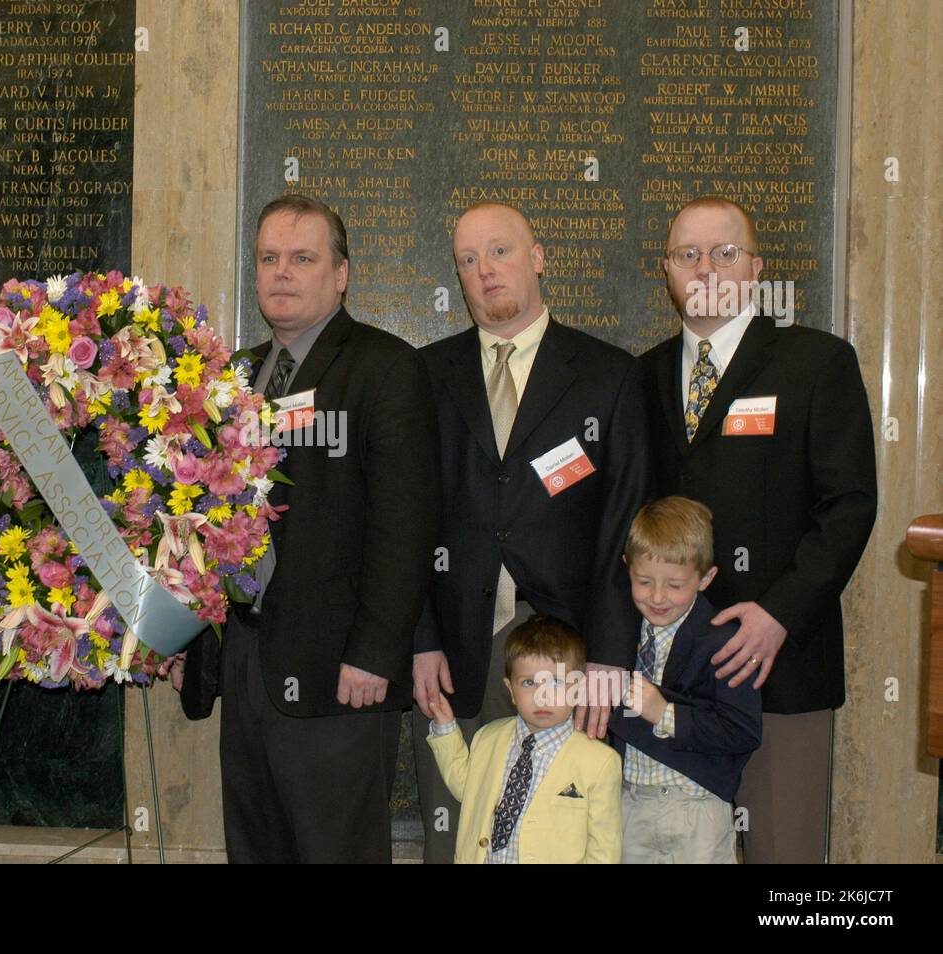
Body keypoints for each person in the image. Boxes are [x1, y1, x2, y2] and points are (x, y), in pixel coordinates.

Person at [178, 193, 441, 862]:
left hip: (339, 671)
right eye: (269, 258)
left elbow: (403, 527)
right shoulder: (235, 375)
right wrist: (191, 637)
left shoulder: (385, 368)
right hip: (247, 665)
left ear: (342, 273)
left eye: (302, 258)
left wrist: (376, 652)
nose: (282, 273)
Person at [639, 195, 876, 863]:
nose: (705, 267)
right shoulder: (645, 375)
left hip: (779, 665)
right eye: (688, 255)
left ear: (756, 268)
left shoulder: (816, 363)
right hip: (674, 680)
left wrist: (778, 615)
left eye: (725, 252)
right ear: (667, 270)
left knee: (784, 862)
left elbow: (850, 506)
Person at [412, 201, 652, 862]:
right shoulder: (427, 377)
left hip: (568, 656)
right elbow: (406, 523)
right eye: (467, 260)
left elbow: (622, 531)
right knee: (455, 836)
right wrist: (420, 638)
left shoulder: (609, 376)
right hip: (453, 652)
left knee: (558, 842)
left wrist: (607, 659)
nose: (485, 271)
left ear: (539, 257)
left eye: (500, 251)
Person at [608, 496, 762, 863]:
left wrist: (665, 712)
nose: (658, 597)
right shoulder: (616, 635)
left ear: (705, 577)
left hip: (697, 809)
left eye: (675, 585)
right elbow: (612, 709)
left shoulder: (725, 641)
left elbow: (742, 731)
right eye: (644, 581)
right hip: (628, 803)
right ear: (627, 567)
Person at [427, 614, 621, 864]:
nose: (542, 696)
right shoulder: (489, 737)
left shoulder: (600, 762)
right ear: (511, 690)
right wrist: (446, 729)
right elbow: (468, 788)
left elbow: (604, 850)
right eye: (529, 682)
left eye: (557, 682)